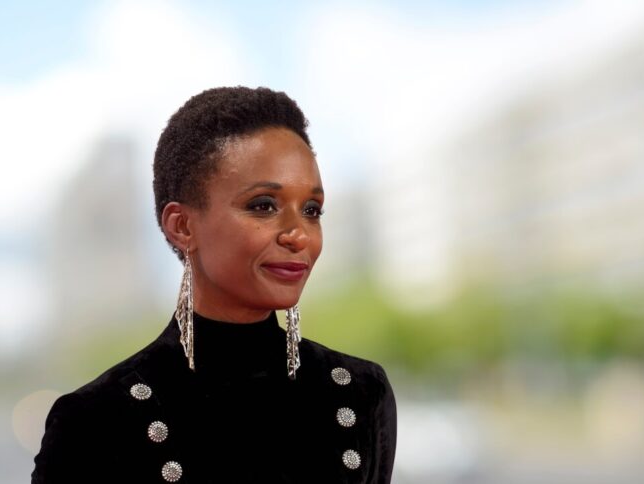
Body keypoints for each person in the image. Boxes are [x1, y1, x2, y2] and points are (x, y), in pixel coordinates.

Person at [32, 86, 397, 483]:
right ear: (182, 226)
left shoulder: (360, 392)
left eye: (312, 210)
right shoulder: (95, 420)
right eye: (264, 206)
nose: (299, 235)